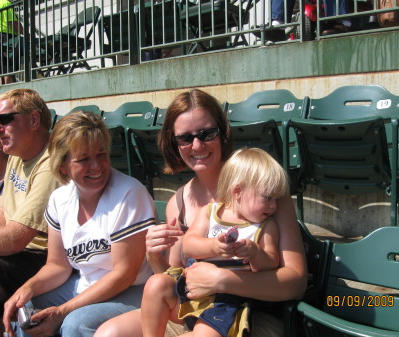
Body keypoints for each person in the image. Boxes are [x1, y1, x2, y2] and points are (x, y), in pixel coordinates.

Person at [94, 89, 307, 337]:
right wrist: (154, 257)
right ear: (174, 144)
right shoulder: (179, 202)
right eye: (184, 138)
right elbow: (174, 279)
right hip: (193, 308)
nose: (197, 145)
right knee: (108, 334)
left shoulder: (264, 192)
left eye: (207, 134)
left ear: (223, 133)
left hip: (250, 314)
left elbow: (295, 282)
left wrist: (222, 280)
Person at [2, 110, 157, 337]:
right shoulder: (59, 199)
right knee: (26, 310)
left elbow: (125, 274)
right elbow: (58, 266)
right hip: (85, 286)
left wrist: (63, 311)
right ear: (62, 165)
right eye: (83, 159)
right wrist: (26, 289)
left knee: (75, 324)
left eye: (101, 154)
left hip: (134, 290)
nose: (96, 166)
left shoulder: (129, 193)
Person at [141, 147, 289, 337]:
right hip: (191, 290)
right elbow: (189, 244)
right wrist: (212, 246)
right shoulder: (211, 212)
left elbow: (271, 262)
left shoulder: (266, 226)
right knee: (156, 283)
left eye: (276, 199)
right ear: (238, 192)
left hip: (228, 301)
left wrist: (255, 252)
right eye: (267, 197)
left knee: (205, 333)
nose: (273, 206)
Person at [0, 88, 59, 337]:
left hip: (41, 258)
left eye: (4, 120)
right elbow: (1, 214)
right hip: (17, 253)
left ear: (33, 120)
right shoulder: (16, 155)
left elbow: (18, 235)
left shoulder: (50, 162)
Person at [0, 0, 23, 84]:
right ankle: (8, 92)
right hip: (8, 36)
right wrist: (25, 33)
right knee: (9, 68)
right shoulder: (5, 3)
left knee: (4, 69)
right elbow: (12, 22)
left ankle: (3, 92)